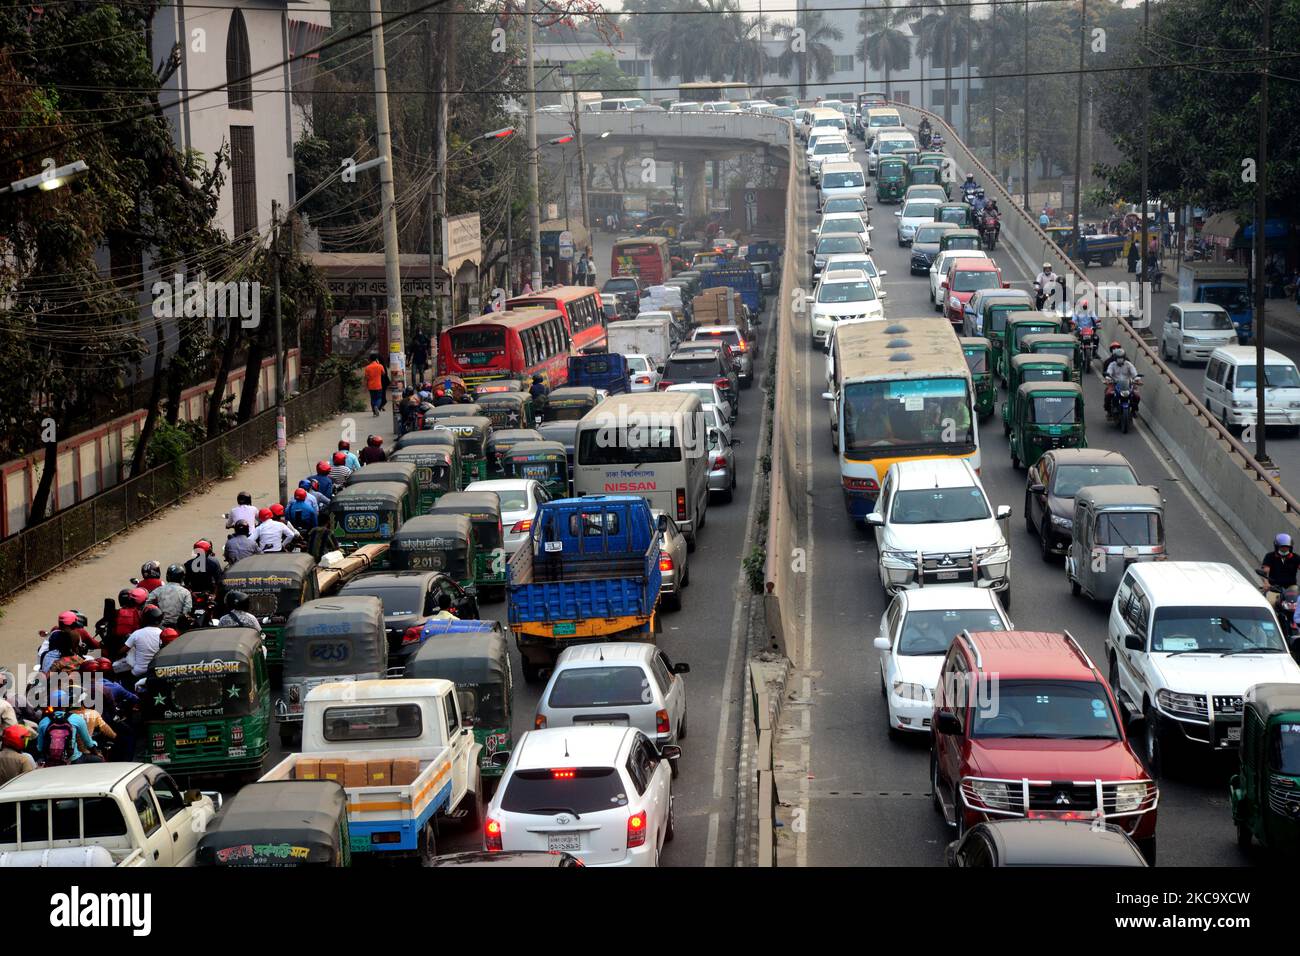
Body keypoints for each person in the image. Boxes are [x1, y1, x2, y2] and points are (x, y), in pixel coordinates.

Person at [37, 691, 101, 766]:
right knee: (99, 760)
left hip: (51, 763)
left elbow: (40, 748)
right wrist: (97, 753)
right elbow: (88, 743)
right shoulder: (76, 718)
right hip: (73, 760)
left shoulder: (43, 722)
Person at [114, 605, 164, 680]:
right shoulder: (163, 633)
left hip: (138, 672)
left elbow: (122, 651)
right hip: (156, 672)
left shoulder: (137, 634)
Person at [1104, 348, 1141, 417]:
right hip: (1115, 384)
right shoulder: (1112, 365)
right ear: (1115, 358)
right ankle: (1109, 411)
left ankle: (1133, 410)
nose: (1120, 360)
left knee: (1137, 396)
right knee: (1108, 394)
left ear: (1124, 358)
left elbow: (1134, 373)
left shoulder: (1128, 364)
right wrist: (1107, 379)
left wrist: (1137, 379)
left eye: (1121, 358)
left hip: (1128, 384)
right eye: (1118, 358)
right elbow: (1109, 373)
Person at [364, 352, 386, 416]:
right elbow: (383, 373)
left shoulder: (367, 367)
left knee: (373, 398)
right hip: (378, 385)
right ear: (376, 359)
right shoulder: (380, 366)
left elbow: (366, 378)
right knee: (379, 398)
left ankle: (374, 412)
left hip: (371, 386)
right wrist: (378, 364)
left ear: (370, 359)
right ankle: (377, 406)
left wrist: (365, 387)